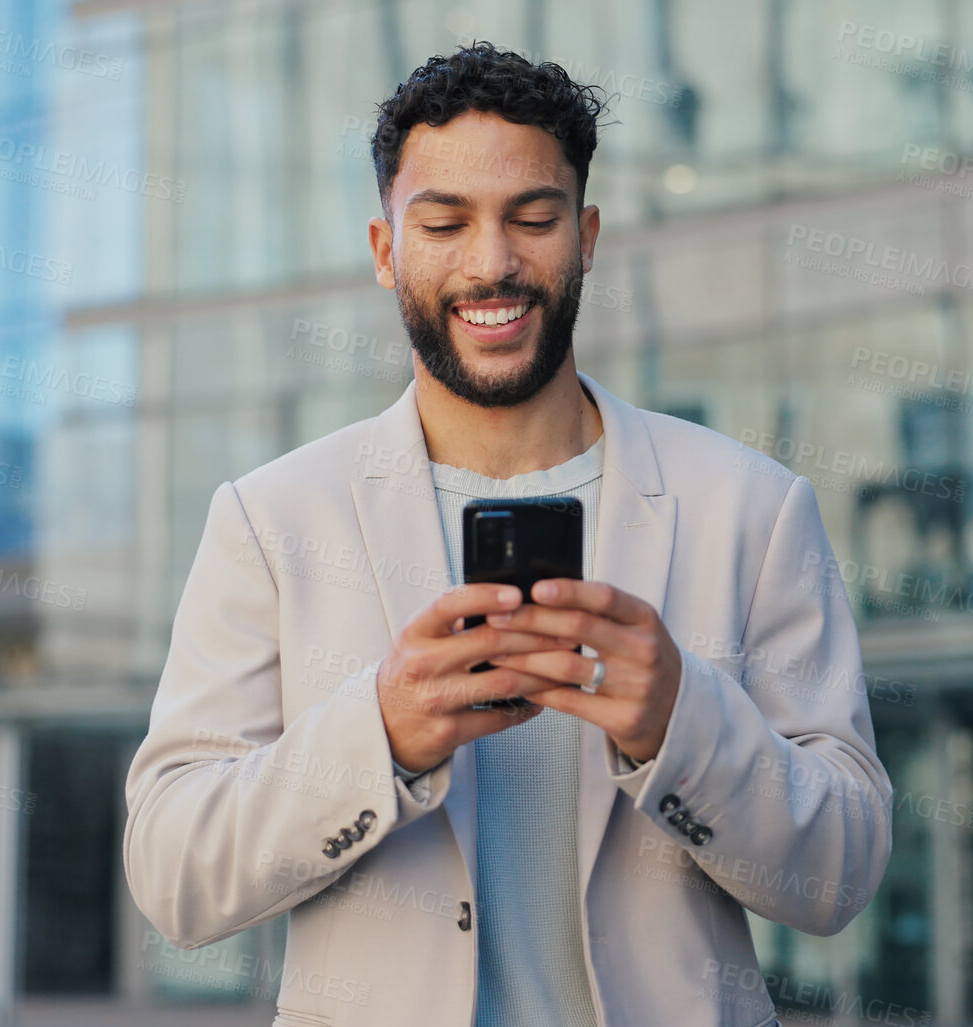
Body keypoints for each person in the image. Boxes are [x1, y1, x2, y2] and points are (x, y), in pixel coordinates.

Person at [124, 41, 891, 1027]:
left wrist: (681, 721)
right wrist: (381, 736)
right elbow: (175, 875)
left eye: (533, 219)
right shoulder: (272, 520)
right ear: (384, 250)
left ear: (587, 236)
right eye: (444, 223)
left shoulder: (751, 507)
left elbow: (840, 872)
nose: (492, 263)